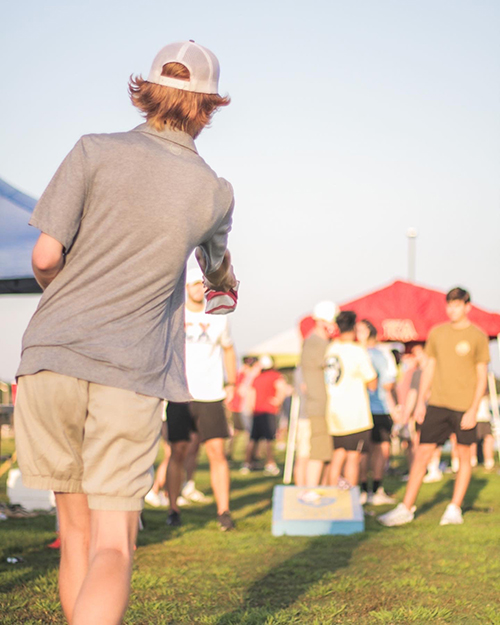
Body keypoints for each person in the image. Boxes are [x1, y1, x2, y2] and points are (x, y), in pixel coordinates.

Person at [13, 40, 236, 624]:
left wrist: (68, 299)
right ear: (209, 106)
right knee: (116, 542)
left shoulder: (92, 150)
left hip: (49, 356)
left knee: (76, 533)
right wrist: (223, 287)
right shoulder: (214, 192)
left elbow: (44, 255)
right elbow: (219, 284)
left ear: (146, 91)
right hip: (131, 369)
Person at [379, 287, 489, 527]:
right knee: (421, 455)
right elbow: (428, 368)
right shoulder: (438, 333)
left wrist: (473, 409)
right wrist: (420, 402)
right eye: (449, 305)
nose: (452, 309)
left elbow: (482, 376)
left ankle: (454, 508)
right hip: (437, 404)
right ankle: (406, 508)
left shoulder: (477, 336)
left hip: (464, 406)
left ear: (467, 306)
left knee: (463, 456)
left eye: (457, 305)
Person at [166, 267, 237, 531]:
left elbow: (229, 349)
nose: (199, 289)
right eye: (195, 284)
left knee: (217, 453)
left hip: (211, 395)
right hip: (179, 394)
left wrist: (231, 383)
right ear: (186, 287)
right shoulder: (174, 315)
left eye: (202, 284)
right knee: (178, 452)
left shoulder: (219, 318)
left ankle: (224, 511)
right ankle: (173, 508)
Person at [324, 311, 377, 488]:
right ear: (354, 327)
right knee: (353, 458)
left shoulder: (331, 348)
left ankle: (333, 498)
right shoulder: (356, 350)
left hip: (334, 411)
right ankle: (351, 504)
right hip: (355, 414)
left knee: (337, 457)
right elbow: (372, 383)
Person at [356, 319, 396, 505]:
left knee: (378, 449)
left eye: (362, 330)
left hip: (379, 408)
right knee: (365, 451)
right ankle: (367, 490)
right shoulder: (355, 352)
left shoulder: (381, 354)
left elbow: (388, 383)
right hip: (361, 409)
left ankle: (375, 490)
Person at [300, 301, 338, 486]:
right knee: (319, 451)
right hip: (319, 405)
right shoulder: (316, 343)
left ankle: (319, 491)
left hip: (323, 405)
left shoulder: (318, 342)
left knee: (325, 453)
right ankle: (311, 491)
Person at [241, 355, 288, 476]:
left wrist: (251, 409)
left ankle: (247, 463)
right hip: (268, 411)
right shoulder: (275, 375)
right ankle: (270, 464)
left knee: (253, 438)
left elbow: (251, 394)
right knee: (269, 439)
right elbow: (281, 388)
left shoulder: (257, 378)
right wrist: (278, 400)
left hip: (257, 411)